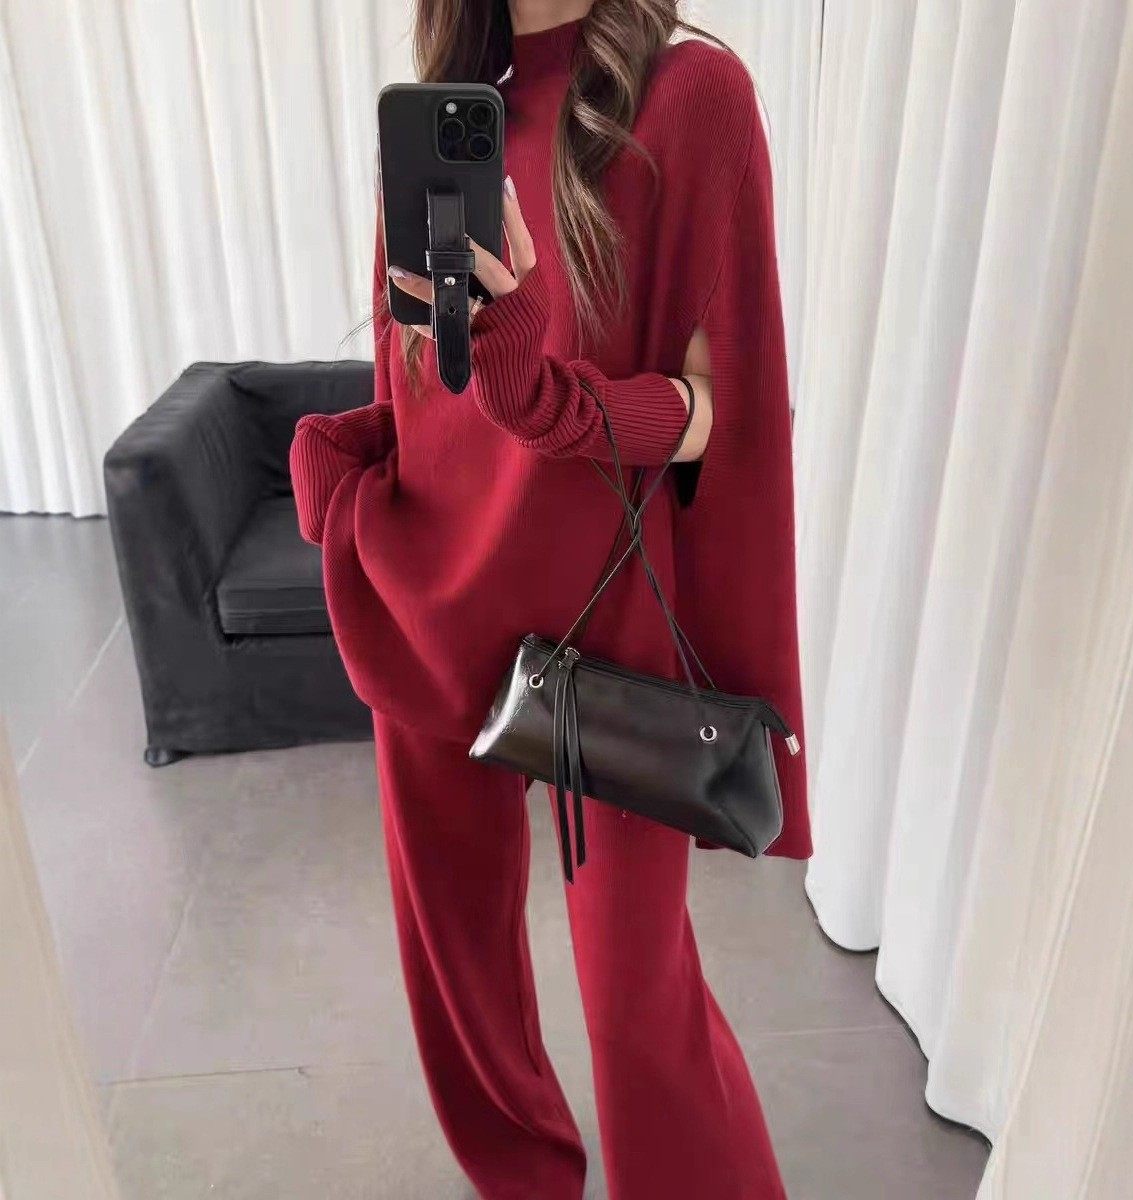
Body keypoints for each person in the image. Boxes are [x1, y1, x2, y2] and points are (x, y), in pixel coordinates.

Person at [289, 2, 810, 1196]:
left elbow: (718, 414)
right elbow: (431, 385)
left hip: (607, 632)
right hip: (426, 589)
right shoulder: (445, 112)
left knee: (640, 1006)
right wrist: (348, 453)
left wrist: (554, 396)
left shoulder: (691, 99)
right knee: (462, 996)